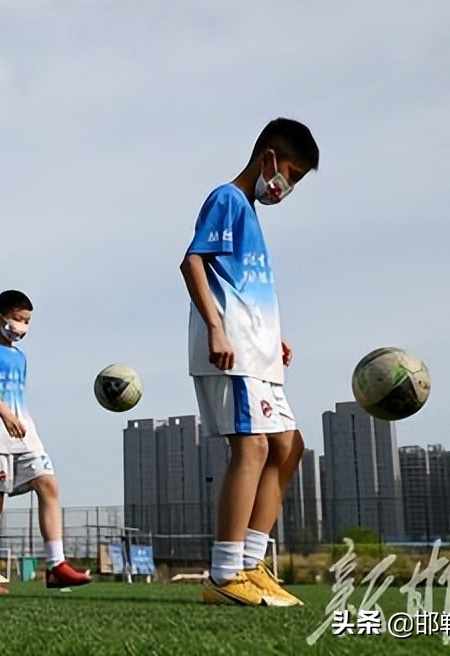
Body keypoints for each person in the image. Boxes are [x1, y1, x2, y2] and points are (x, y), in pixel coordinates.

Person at [179, 118, 318, 607]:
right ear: (268, 161)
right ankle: (223, 574)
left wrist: (273, 337)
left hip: (259, 353)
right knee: (254, 448)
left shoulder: (251, 216)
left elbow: (244, 286)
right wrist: (217, 327)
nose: (288, 188)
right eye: (291, 175)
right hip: (232, 353)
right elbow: (192, 262)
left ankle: (252, 563)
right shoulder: (228, 199)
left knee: (290, 448)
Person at [0, 290, 93, 594]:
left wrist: (19, 420)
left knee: (48, 484)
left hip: (24, 433)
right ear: (0, 317)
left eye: (27, 321)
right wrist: (5, 415)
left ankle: (56, 566)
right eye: (19, 319)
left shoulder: (21, 357)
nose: (23, 326)